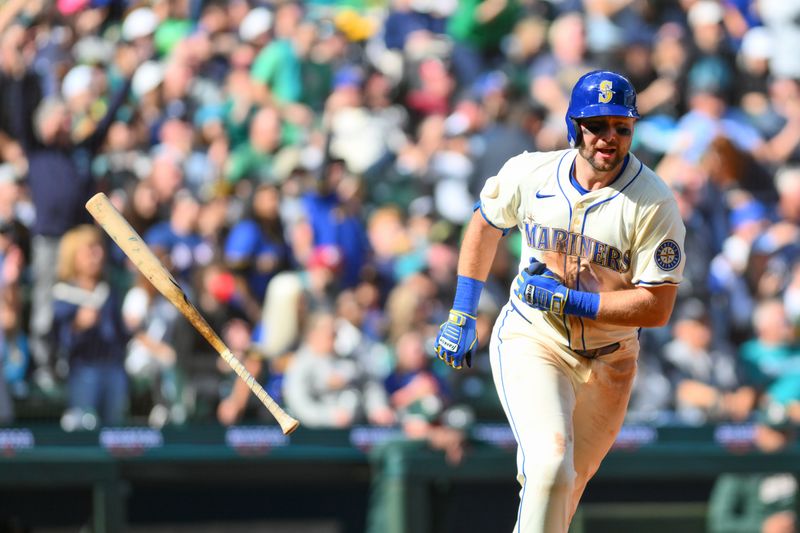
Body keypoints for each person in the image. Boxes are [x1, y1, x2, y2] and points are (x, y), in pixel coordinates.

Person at [434, 70, 686, 532]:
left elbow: (657, 307)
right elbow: (486, 223)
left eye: (621, 127)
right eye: (597, 124)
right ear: (575, 127)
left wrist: (573, 301)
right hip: (535, 339)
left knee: (563, 494)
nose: (609, 137)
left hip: (611, 359)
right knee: (549, 468)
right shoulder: (530, 172)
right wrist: (462, 310)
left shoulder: (654, 203)